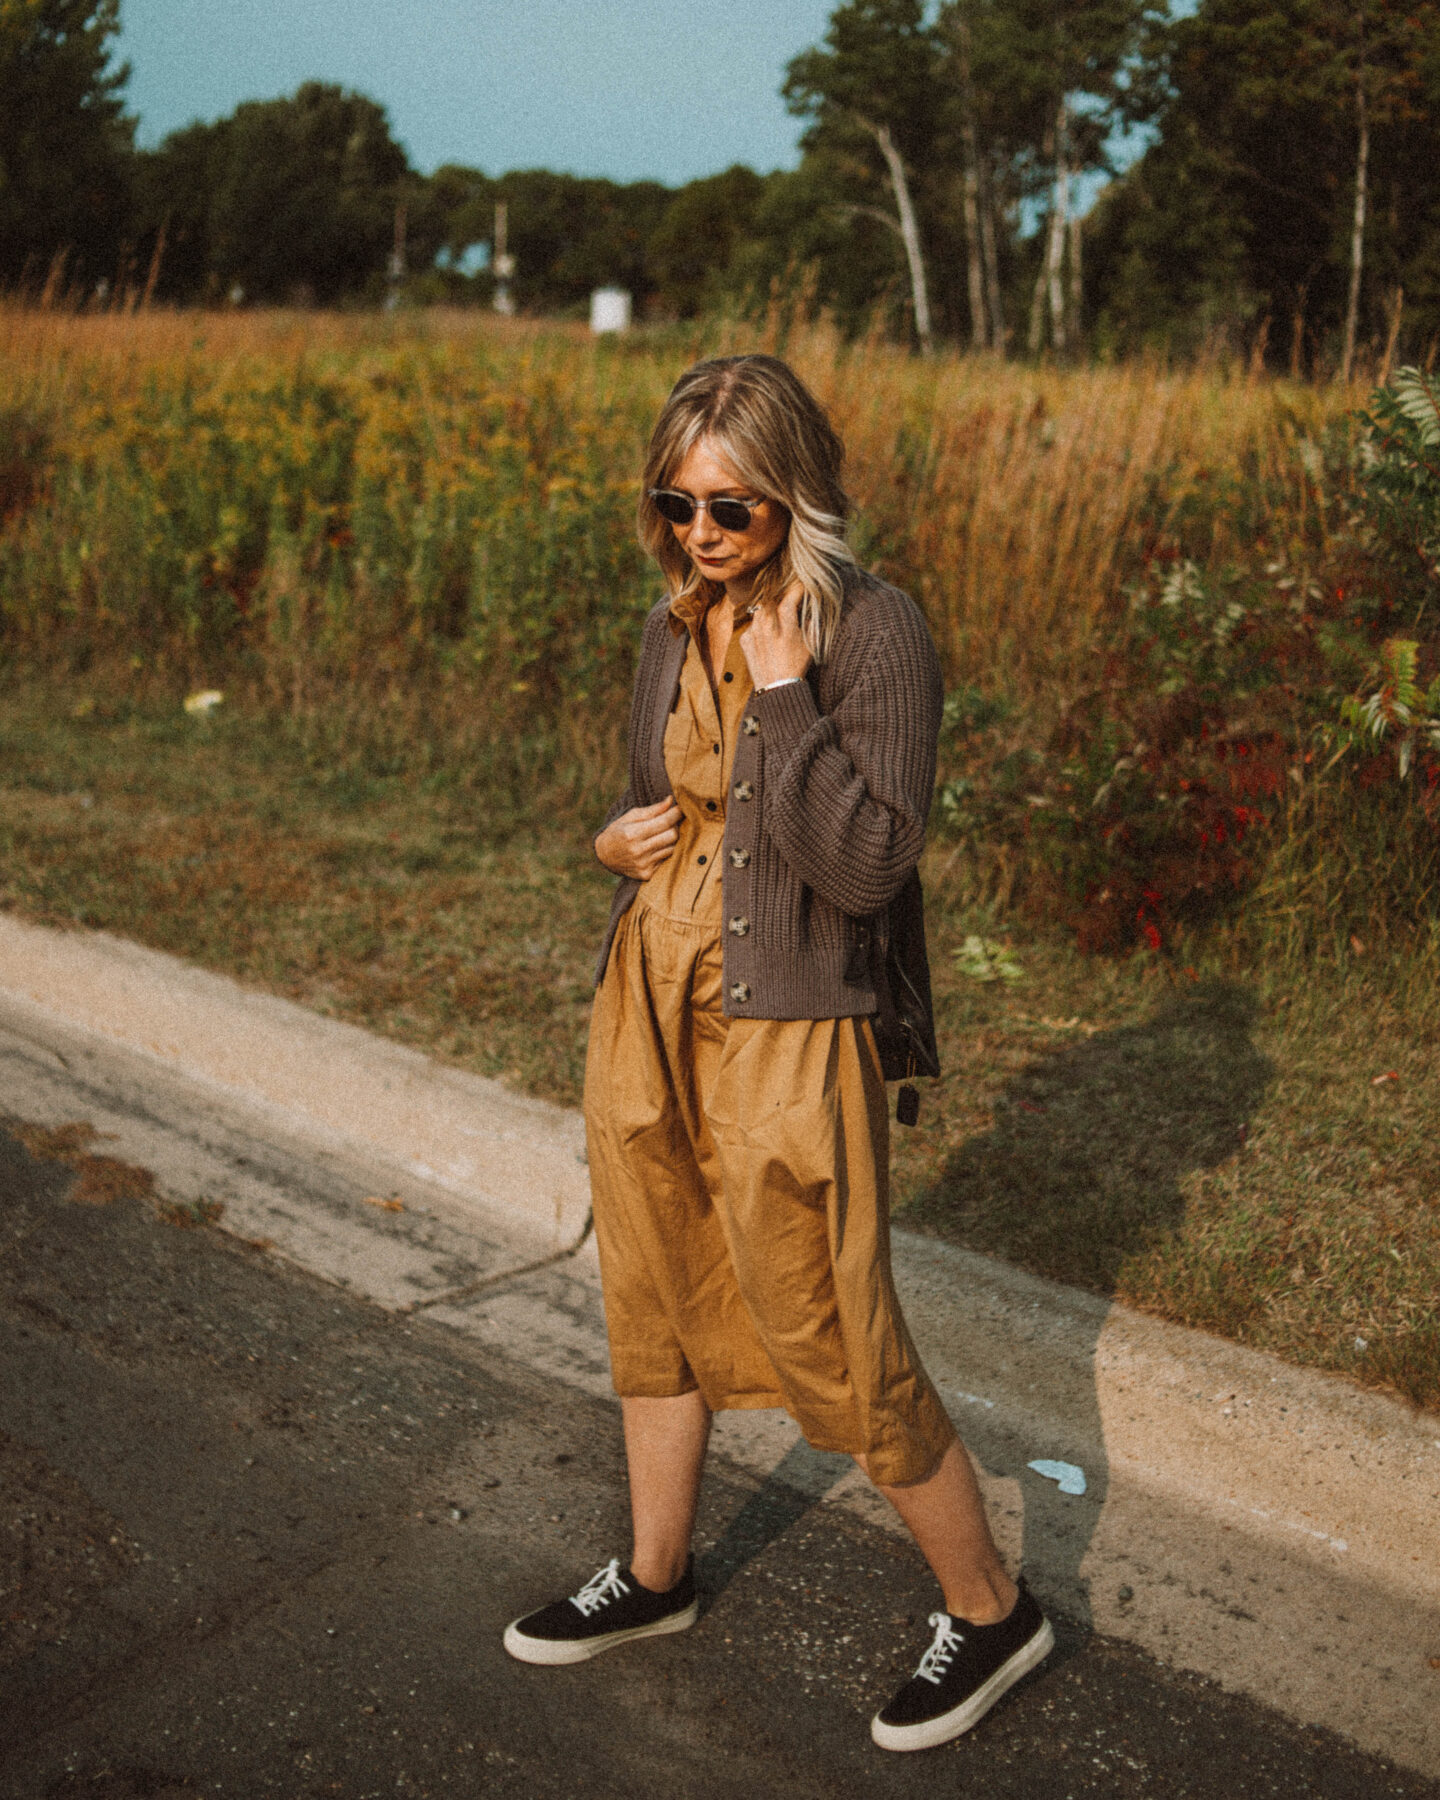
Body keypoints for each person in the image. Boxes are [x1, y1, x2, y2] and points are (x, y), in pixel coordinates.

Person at [502, 354, 1052, 1752]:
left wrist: (790, 692)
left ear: (794, 497)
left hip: (793, 1021)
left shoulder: (874, 634)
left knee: (830, 1319)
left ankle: (993, 1611)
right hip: (650, 998)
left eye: (729, 508)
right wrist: (613, 843)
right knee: (655, 1282)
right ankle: (659, 1574)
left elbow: (865, 866)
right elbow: (660, 800)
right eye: (674, 503)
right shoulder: (671, 620)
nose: (699, 532)